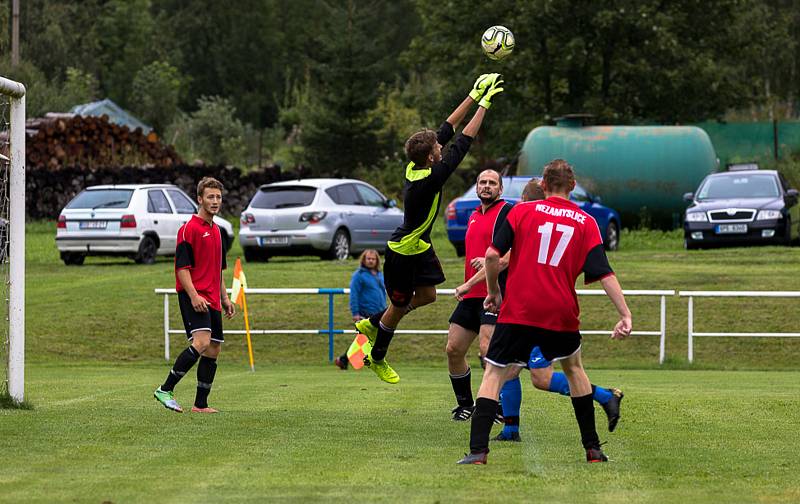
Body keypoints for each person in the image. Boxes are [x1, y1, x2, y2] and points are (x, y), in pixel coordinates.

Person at [457, 159, 632, 465]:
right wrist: (625, 315)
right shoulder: (586, 222)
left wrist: (494, 293)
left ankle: (478, 451)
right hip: (561, 312)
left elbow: (490, 255)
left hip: (519, 310)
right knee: (575, 370)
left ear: (544, 186)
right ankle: (592, 449)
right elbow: (605, 273)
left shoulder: (521, 212)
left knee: (494, 372)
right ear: (573, 186)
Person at [354, 73, 505, 384]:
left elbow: (447, 130)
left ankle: (372, 323)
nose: (440, 145)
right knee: (396, 309)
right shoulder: (433, 177)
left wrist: (473, 95)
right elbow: (464, 140)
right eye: (437, 147)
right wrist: (485, 106)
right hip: (403, 252)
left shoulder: (416, 164)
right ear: (431, 157)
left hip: (419, 246)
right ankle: (376, 356)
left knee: (428, 295)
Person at [493, 179, 623, 442]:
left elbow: (500, 259)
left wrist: (472, 285)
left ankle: (509, 430)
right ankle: (603, 400)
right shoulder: (562, 220)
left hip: (532, 314)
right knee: (530, 375)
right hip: (527, 311)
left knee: (509, 370)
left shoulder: (529, 219)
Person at [153, 177, 236, 413]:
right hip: (194, 297)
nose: (215, 201)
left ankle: (200, 405)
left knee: (214, 349)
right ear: (199, 199)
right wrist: (194, 296)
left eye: (218, 197)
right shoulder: (188, 230)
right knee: (201, 342)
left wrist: (225, 298)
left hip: (213, 298)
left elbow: (218, 270)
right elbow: (182, 270)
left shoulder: (219, 232)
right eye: (210, 196)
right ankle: (165, 389)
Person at [447, 169, 512, 420]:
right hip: (471, 295)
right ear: (476, 187)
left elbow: (505, 258)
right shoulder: (474, 215)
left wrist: (481, 271)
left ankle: (497, 407)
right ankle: (465, 404)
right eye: (482, 182)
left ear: (500, 189)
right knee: (453, 348)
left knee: (488, 350)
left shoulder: (506, 212)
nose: (486, 186)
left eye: (492, 183)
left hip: (493, 294)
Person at [335, 250, 387, 370]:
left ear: (377, 261)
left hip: (379, 311)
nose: (370, 261)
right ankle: (347, 360)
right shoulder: (359, 275)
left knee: (366, 339)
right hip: (365, 311)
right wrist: (355, 313)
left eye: (373, 259)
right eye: (368, 258)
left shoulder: (380, 275)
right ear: (363, 260)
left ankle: (345, 360)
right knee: (365, 338)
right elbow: (354, 295)